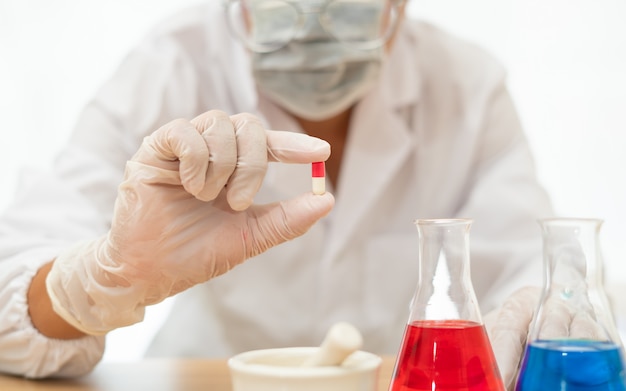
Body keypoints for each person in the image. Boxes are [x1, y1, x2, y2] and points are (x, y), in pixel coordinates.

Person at [0, 0, 554, 388]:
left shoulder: (468, 86)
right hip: (206, 377)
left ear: (401, 4)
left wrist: (541, 317)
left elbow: (534, 270)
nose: (310, 19)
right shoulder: (171, 65)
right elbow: (13, 282)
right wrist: (110, 275)